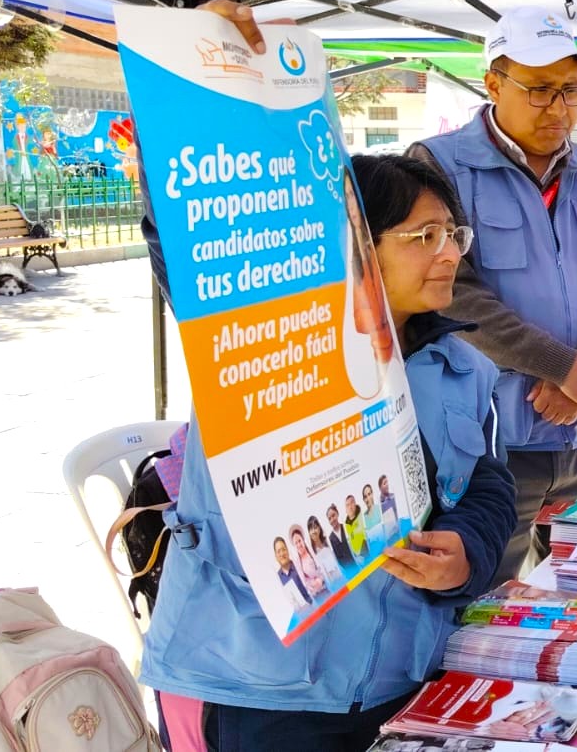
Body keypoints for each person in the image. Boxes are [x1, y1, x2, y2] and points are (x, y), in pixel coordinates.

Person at [141, 143, 519, 752]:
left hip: (403, 675)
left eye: (453, 233)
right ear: (355, 245)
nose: (450, 253)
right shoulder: (265, 347)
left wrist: (467, 552)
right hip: (263, 686)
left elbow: (488, 482)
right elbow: (185, 230)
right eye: (424, 235)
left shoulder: (465, 368)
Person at [406, 5, 577, 583]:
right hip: (488, 442)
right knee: (484, 598)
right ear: (493, 82)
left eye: (571, 91)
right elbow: (451, 295)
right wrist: (563, 366)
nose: (560, 108)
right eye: (540, 90)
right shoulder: (437, 167)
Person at [274, 537, 312, 613]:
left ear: (287, 550)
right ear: (276, 556)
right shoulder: (277, 578)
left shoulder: (299, 565)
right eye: (278, 551)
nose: (282, 554)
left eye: (283, 549)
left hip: (313, 609)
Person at [290, 524, 328, 599]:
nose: (298, 545)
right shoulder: (297, 562)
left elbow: (321, 567)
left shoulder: (311, 551)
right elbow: (304, 581)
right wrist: (312, 584)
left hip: (324, 587)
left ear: (303, 540)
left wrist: (319, 580)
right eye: (296, 543)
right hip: (315, 595)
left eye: (299, 541)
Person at [308, 515, 344, 588]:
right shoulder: (311, 551)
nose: (313, 531)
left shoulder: (327, 542)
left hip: (341, 578)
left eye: (315, 527)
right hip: (330, 586)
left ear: (319, 528)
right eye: (311, 529)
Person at [325, 503, 357, 569]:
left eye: (333, 515)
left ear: (337, 514)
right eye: (329, 519)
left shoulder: (346, 527)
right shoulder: (330, 538)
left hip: (356, 562)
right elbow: (337, 558)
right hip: (347, 570)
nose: (332, 520)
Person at [343, 493, 368, 558]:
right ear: (345, 509)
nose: (350, 507)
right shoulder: (346, 525)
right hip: (356, 555)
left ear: (355, 504)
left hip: (365, 550)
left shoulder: (362, 517)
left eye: (352, 503)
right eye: (347, 505)